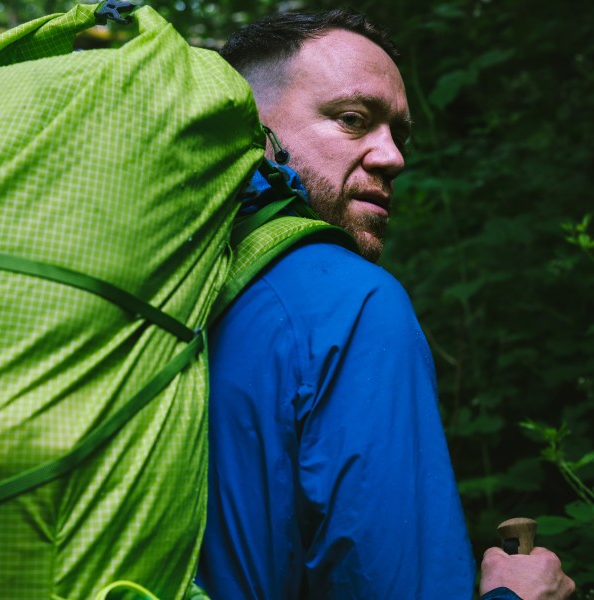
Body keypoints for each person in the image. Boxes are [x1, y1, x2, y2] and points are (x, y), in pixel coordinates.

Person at [197, 9, 576, 599]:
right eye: (353, 120)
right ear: (250, 127)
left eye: (398, 133)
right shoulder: (350, 302)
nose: (394, 157)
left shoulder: (179, 288)